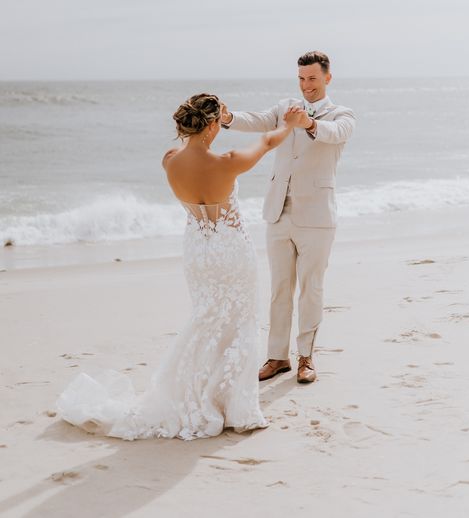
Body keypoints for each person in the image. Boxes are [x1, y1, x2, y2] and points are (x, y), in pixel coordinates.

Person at [55, 93, 299, 440]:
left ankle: (197, 393)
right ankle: (236, 406)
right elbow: (267, 141)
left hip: (197, 250)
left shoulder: (169, 160)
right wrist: (288, 123)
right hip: (230, 250)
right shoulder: (228, 161)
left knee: (205, 318)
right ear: (213, 125)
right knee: (239, 322)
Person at [220, 51, 355, 384]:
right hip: (278, 212)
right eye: (301, 78)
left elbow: (333, 134)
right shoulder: (284, 107)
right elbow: (257, 120)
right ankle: (277, 356)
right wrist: (227, 117)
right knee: (280, 289)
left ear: (327, 78)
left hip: (317, 217)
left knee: (311, 288)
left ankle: (306, 357)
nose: (305, 85)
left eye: (311, 78)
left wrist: (307, 123)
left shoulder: (343, 115)